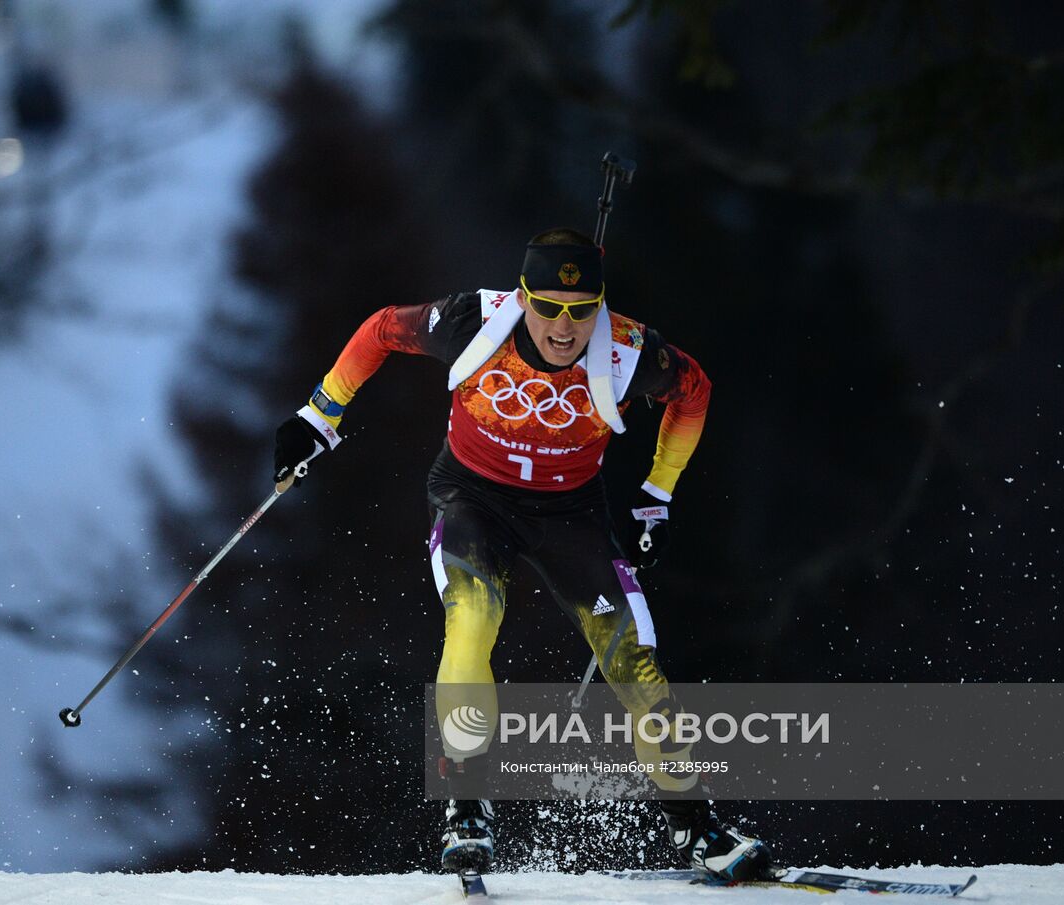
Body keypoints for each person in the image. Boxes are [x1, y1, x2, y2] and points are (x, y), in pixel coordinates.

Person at [272, 227, 773, 881]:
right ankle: (467, 807)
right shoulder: (473, 321)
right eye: (549, 307)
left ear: (599, 305)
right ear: (523, 296)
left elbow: (695, 391)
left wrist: (657, 495)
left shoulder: (628, 350)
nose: (564, 329)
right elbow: (380, 331)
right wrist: (320, 415)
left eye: (580, 310)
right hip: (472, 500)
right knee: (473, 622)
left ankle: (696, 826)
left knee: (632, 654)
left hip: (570, 514)